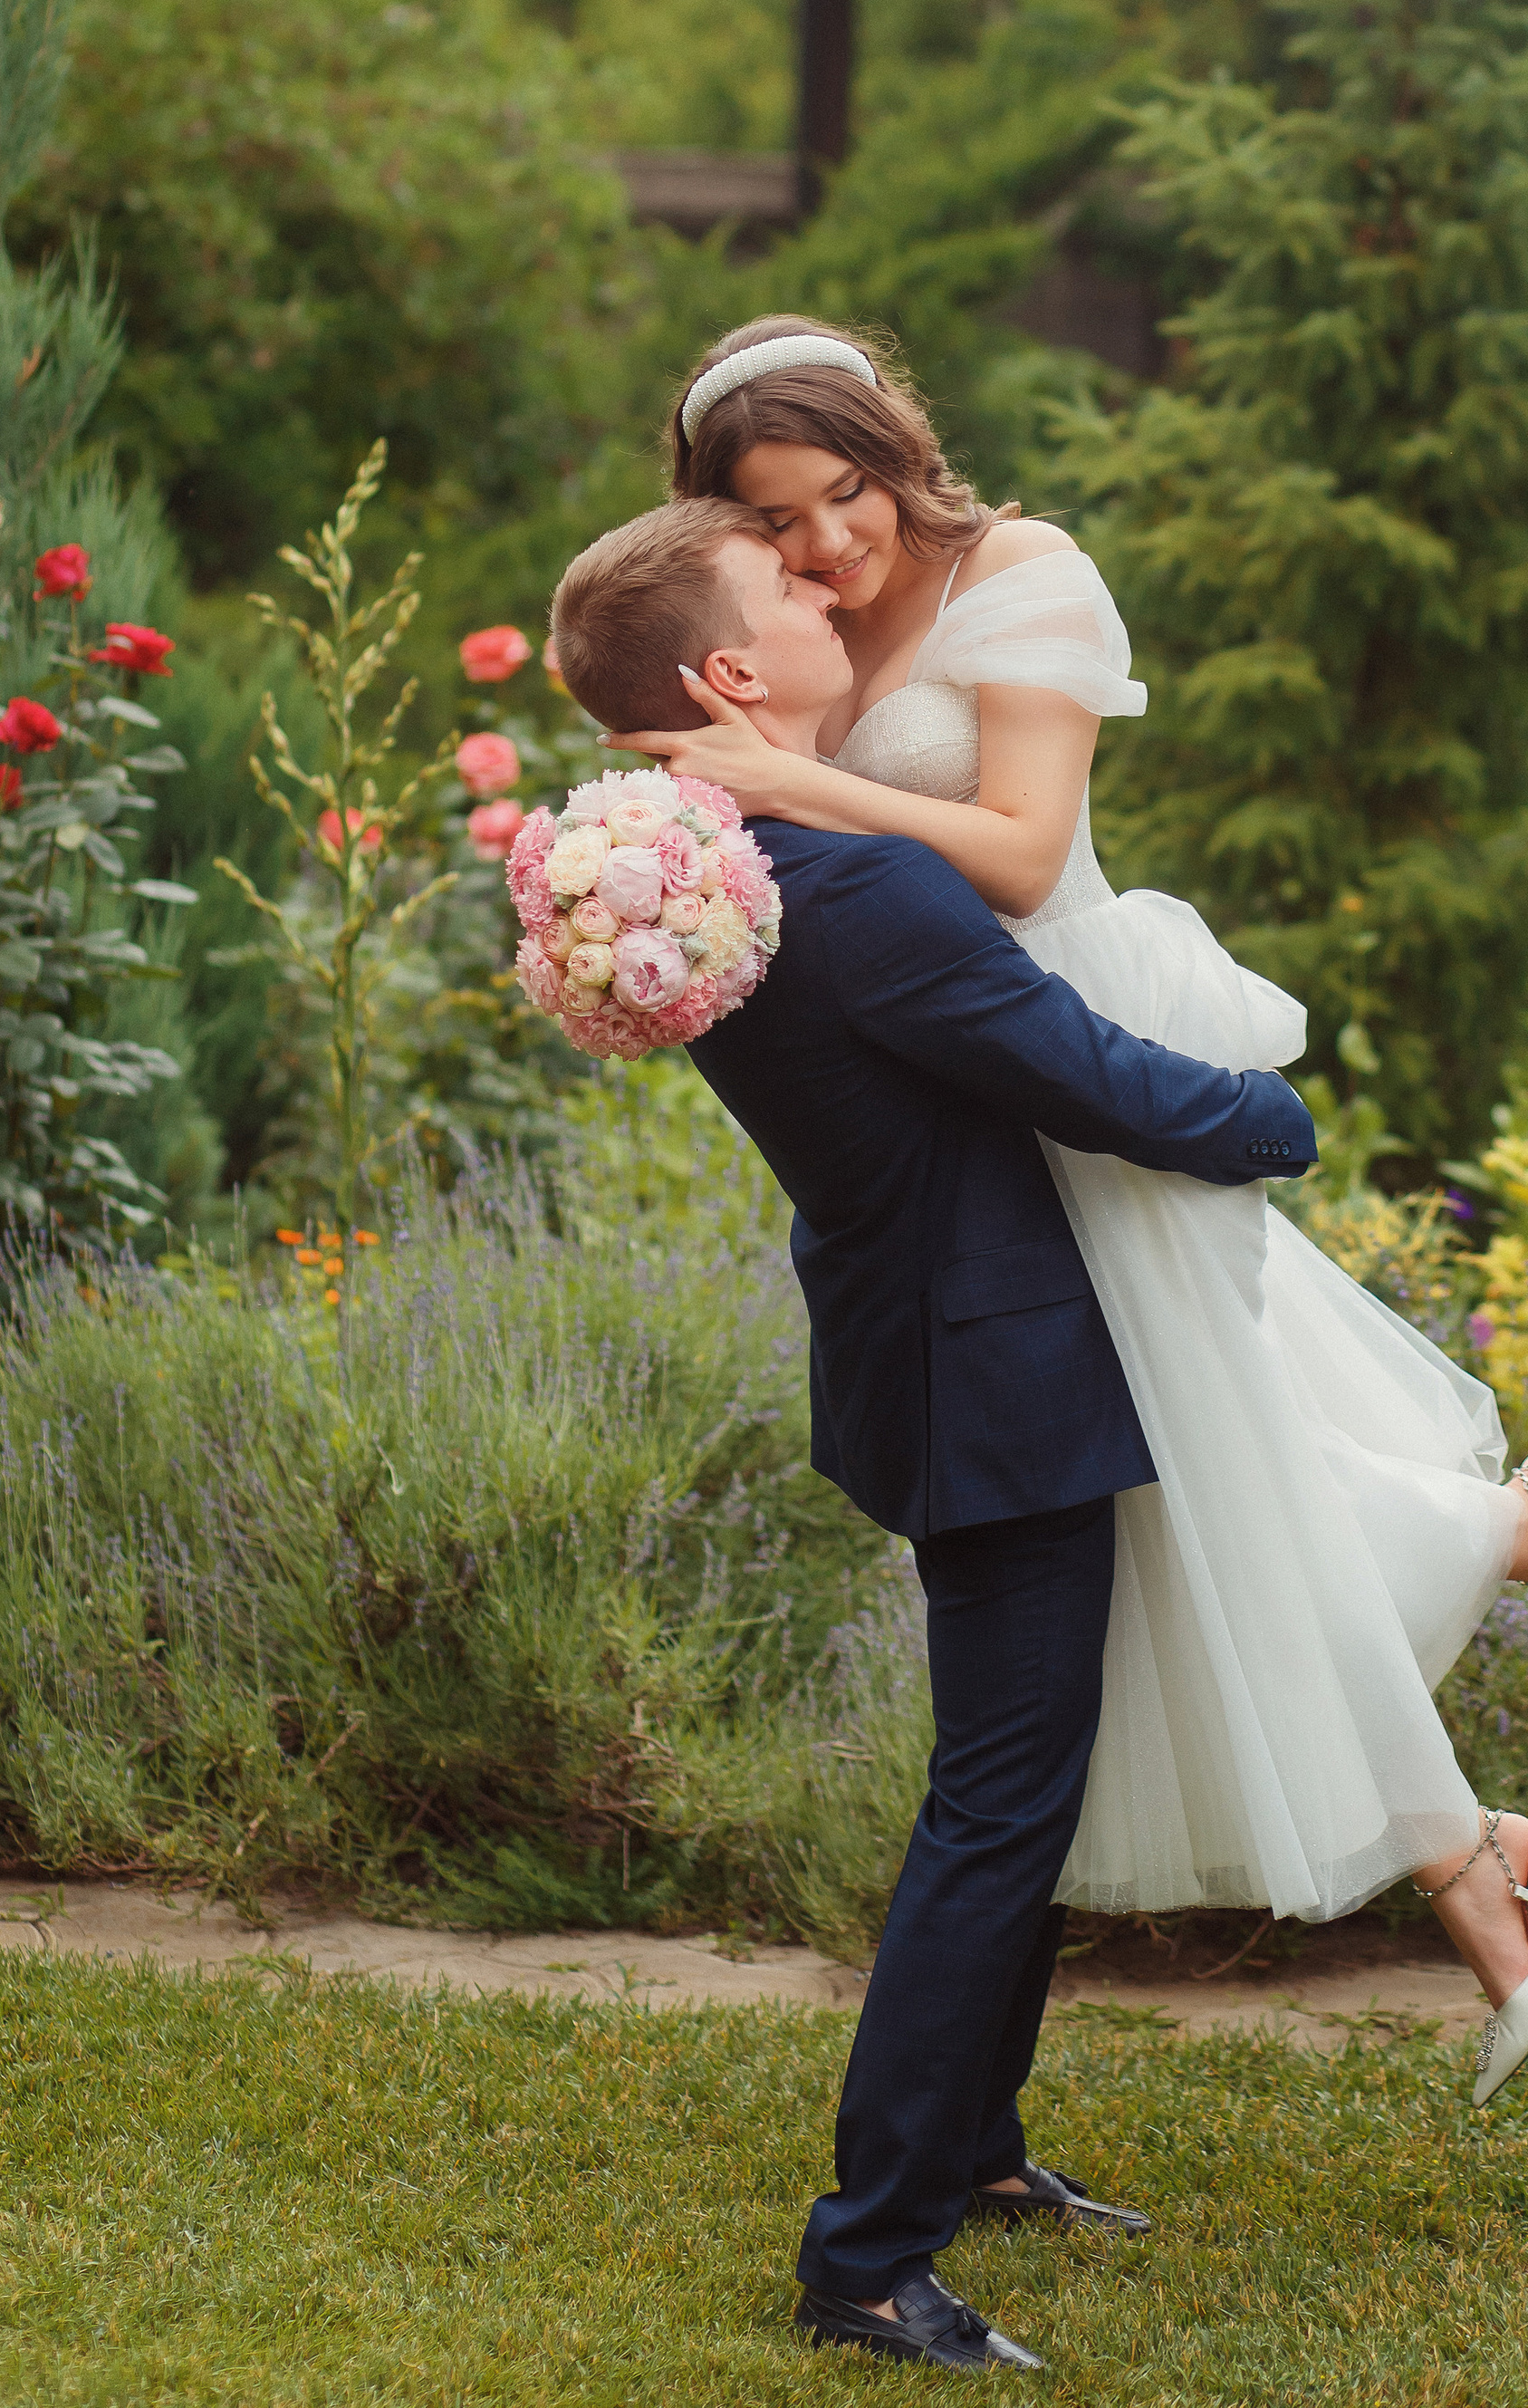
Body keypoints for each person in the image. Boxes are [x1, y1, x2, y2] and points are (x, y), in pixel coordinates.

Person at [612, 314, 1528, 2105]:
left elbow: (1024, 849)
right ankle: (1490, 1770)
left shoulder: (1022, 572)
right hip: (959, 1087)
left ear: (894, 450)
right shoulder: (792, 633)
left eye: (843, 492)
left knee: (1207, 1472)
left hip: (1078, 1044)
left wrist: (789, 784)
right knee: (1193, 1507)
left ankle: (1519, 1593)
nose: (825, 543)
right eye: (776, 522)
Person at [549, 496, 1321, 2373]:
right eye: (786, 585)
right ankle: (868, 2258)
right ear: (730, 672)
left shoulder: (728, 865)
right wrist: (1273, 1116)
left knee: (1015, 1781)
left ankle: (973, 2152)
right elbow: (1086, 1080)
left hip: (930, 1339)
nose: (827, 590)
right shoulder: (858, 889)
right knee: (996, 1806)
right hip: (998, 1376)